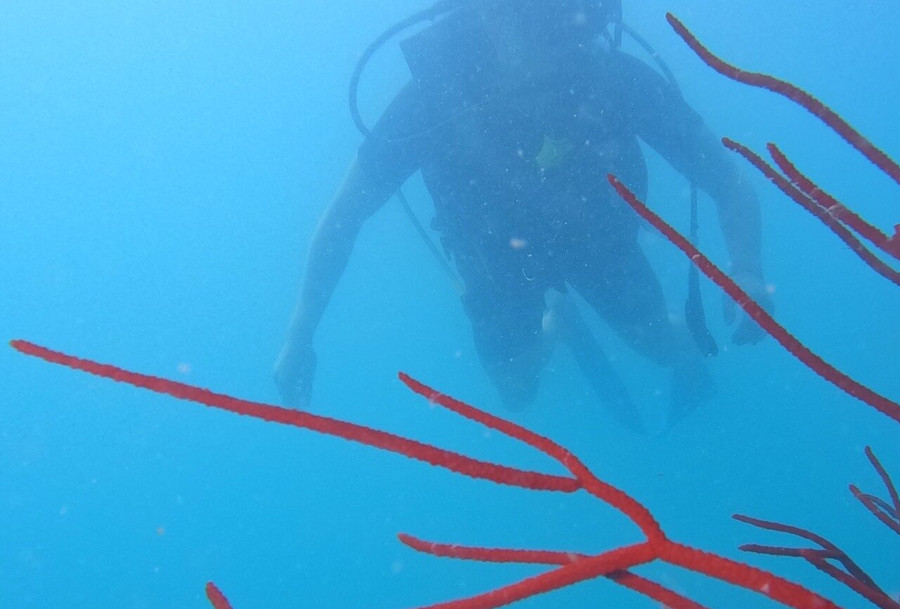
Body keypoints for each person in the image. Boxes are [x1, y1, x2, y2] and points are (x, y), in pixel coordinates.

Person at [274, 0, 771, 426]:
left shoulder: (612, 78)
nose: (533, 28)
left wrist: (746, 271)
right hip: (496, 261)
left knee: (664, 346)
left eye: (550, 13)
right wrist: (300, 335)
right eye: (515, 11)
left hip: (598, 238)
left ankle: (604, 332)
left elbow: (727, 181)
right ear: (479, 15)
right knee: (517, 392)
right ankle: (561, 323)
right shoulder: (433, 99)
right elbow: (345, 216)